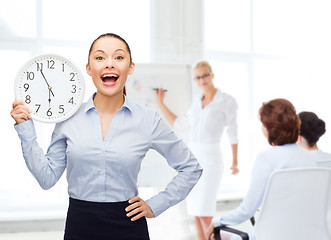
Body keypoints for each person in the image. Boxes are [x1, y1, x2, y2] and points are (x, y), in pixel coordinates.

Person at [10, 33, 202, 240]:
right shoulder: (68, 119)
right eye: (100, 57)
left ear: (130, 68)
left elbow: (191, 168)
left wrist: (156, 205)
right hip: (80, 226)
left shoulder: (147, 120)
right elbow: (46, 178)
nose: (109, 64)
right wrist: (25, 128)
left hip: (128, 227)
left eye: (119, 57)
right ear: (89, 68)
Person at [206, 98, 316, 240]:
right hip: (305, 234)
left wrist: (215, 221)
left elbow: (246, 210)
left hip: (269, 235)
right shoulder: (311, 160)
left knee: (215, 234)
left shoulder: (266, 159)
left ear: (269, 128)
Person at [156, 60, 239, 240]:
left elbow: (233, 132)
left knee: (205, 211)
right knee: (195, 211)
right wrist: (161, 103)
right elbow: (179, 123)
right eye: (198, 77)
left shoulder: (226, 101)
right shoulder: (196, 101)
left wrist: (235, 161)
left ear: (212, 75)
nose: (202, 80)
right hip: (192, 158)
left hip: (211, 158)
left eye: (205, 75)